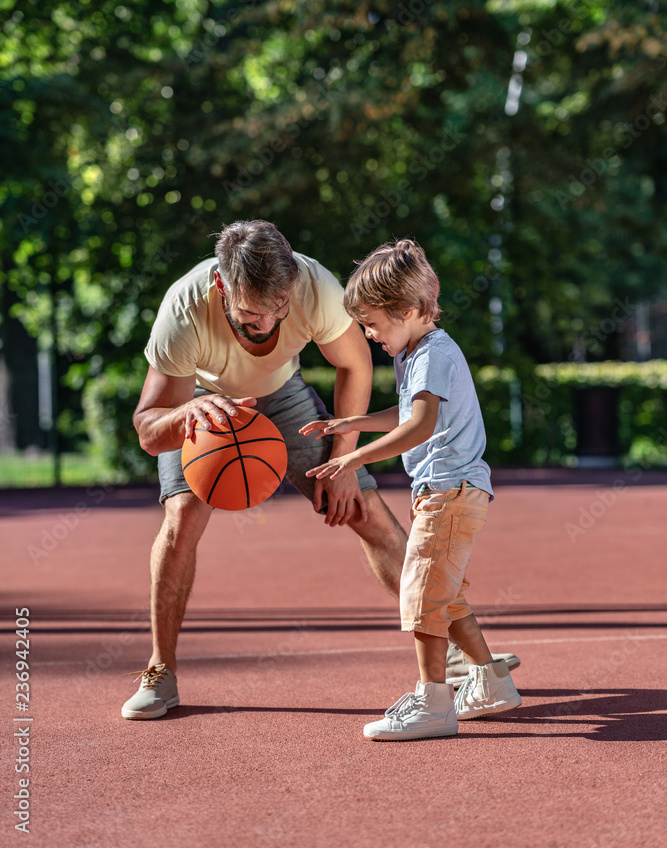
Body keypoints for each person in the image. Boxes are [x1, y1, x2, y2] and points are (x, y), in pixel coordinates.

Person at [122, 219, 518, 720]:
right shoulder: (184, 310)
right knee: (181, 519)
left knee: (364, 511)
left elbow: (355, 365)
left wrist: (344, 459)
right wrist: (183, 414)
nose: (266, 323)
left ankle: (462, 656)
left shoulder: (317, 288)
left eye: (278, 308)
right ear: (222, 285)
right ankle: (161, 669)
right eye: (250, 311)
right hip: (206, 401)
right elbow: (148, 429)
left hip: (284, 395)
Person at [301, 238, 521, 740]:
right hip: (447, 489)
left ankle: (433, 704)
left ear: (408, 310)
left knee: (420, 592)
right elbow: (407, 414)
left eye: (373, 323)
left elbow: (420, 425)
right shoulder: (417, 352)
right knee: (445, 597)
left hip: (450, 489)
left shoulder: (432, 355)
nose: (368, 334)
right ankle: (491, 682)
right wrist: (351, 423)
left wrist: (355, 456)